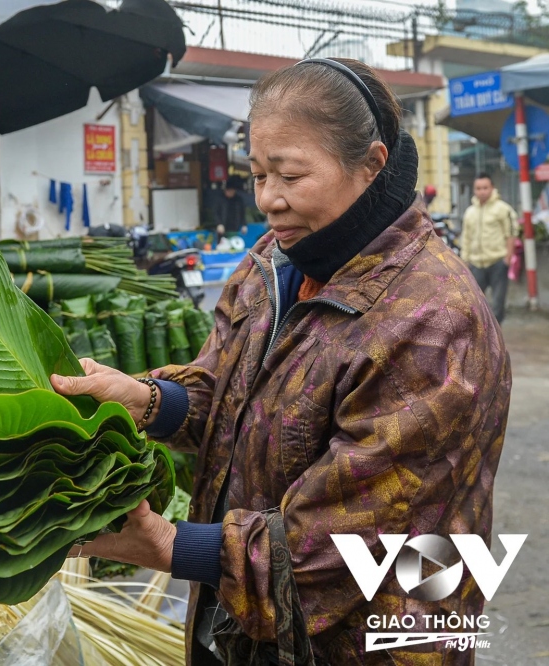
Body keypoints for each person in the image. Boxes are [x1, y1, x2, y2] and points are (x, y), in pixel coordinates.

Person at [51, 58, 510, 665]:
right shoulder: (274, 263)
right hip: (247, 631)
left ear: (371, 165)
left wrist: (167, 543)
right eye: (259, 173)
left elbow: (350, 547)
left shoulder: (434, 322)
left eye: (291, 175)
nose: (269, 199)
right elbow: (232, 395)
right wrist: (151, 401)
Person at [460, 173, 517, 323]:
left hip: (498, 262)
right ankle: (481, 340)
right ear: (474, 190)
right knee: (475, 304)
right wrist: (465, 261)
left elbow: (511, 233)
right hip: (476, 265)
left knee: (498, 305)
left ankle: (496, 342)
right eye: (478, 188)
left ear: (492, 188)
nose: (482, 191)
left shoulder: (503, 209)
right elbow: (466, 237)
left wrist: (507, 259)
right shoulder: (470, 212)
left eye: (485, 187)